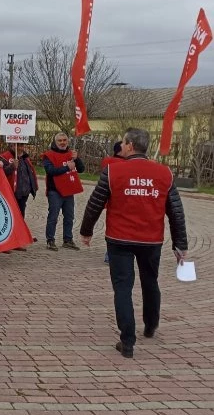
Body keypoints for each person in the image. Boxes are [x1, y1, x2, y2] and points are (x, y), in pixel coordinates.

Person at [79, 128, 188, 359]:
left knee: (122, 288)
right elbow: (176, 212)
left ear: (129, 145)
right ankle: (150, 325)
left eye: (123, 142)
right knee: (150, 282)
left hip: (119, 239)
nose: (122, 145)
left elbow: (95, 203)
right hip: (151, 240)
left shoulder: (113, 171)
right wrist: (180, 244)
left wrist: (86, 231)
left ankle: (127, 341)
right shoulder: (164, 173)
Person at [42, 132, 85, 251]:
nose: (62, 142)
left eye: (64, 140)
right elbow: (50, 171)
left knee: (69, 217)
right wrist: (66, 168)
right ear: (55, 142)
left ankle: (68, 239)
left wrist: (77, 159)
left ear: (67, 141)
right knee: (53, 217)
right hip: (55, 191)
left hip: (69, 191)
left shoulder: (72, 154)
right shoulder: (48, 155)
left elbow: (81, 169)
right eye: (60, 140)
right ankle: (50, 240)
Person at [0, 144, 39, 217]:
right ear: (12, 145)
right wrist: (12, 166)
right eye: (17, 145)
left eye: (21, 145)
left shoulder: (25, 157)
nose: (20, 148)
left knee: (21, 214)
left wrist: (32, 187)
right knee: (11, 214)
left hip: (24, 192)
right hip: (11, 192)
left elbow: (30, 172)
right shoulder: (4, 157)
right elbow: (0, 174)